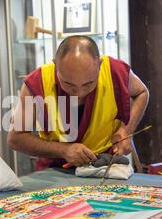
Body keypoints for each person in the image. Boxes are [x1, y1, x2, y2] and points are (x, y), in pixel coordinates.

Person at [8, 35, 149, 170]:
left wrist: (127, 129)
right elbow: (15, 138)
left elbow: (142, 92)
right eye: (69, 84)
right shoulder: (38, 81)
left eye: (88, 84)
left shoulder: (114, 71)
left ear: (99, 65)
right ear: (55, 66)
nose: (79, 93)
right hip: (57, 170)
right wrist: (63, 150)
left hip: (105, 166)